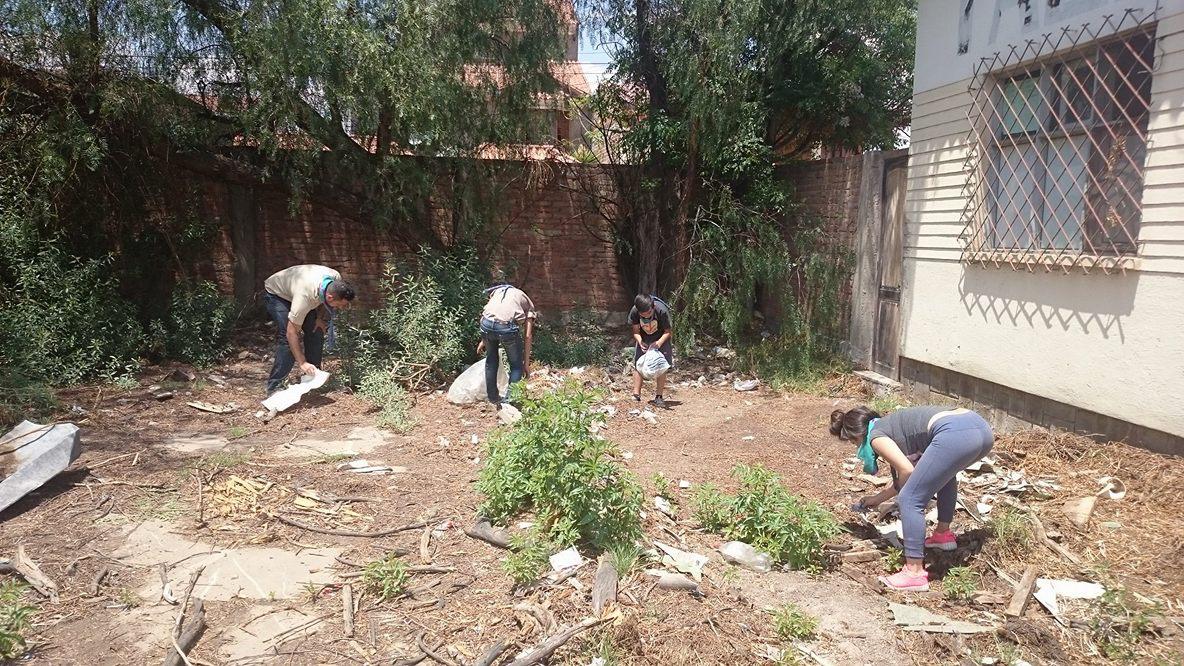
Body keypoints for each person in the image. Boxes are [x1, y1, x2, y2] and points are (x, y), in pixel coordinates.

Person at [830, 405, 994, 592]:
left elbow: (907, 473)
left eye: (855, 443)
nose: (858, 449)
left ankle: (914, 573)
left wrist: (893, 496)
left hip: (953, 434)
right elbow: (906, 477)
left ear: (858, 435)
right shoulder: (892, 427)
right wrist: (878, 498)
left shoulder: (876, 437)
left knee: (909, 499)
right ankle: (942, 534)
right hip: (981, 430)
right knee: (945, 475)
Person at [263, 264, 355, 394]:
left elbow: (327, 302)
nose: (340, 308)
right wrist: (302, 362)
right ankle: (275, 386)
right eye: (340, 305)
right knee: (287, 339)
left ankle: (313, 377)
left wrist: (320, 318)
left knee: (316, 331)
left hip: (299, 291)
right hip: (277, 294)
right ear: (330, 297)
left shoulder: (335, 278)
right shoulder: (304, 298)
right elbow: (292, 332)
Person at [476, 283, 536, 407]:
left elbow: (490, 314)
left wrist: (484, 340)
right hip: (506, 328)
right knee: (516, 366)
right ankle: (509, 402)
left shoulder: (497, 292)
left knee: (491, 360)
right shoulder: (527, 302)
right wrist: (526, 363)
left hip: (486, 325)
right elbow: (528, 335)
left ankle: (493, 398)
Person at [628, 294, 673, 408]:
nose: (646, 316)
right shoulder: (634, 311)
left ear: (653, 307)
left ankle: (659, 396)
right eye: (643, 315)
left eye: (649, 313)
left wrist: (658, 343)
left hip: (661, 338)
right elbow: (635, 331)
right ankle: (636, 394)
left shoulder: (661, 310)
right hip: (644, 338)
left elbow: (668, 331)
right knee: (638, 363)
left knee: (662, 366)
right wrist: (640, 341)